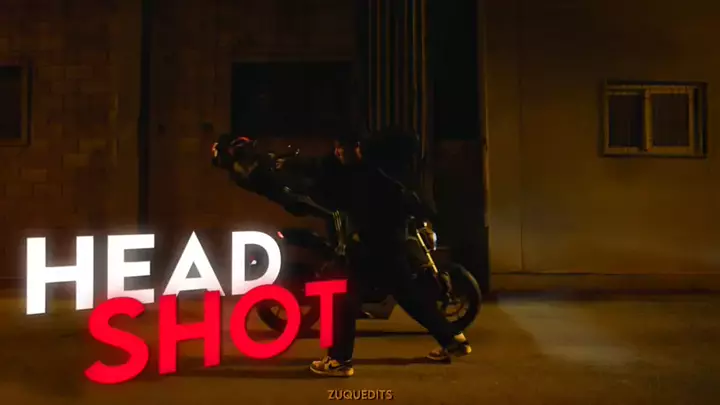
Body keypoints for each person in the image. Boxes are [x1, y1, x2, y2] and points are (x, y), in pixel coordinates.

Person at [212, 131, 472, 378]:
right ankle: (453, 340)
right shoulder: (369, 171)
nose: (338, 152)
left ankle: (339, 361)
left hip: (371, 246)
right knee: (409, 297)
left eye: (343, 148)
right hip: (388, 248)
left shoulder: (368, 174)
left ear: (357, 148)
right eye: (337, 147)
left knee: (340, 297)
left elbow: (343, 199)